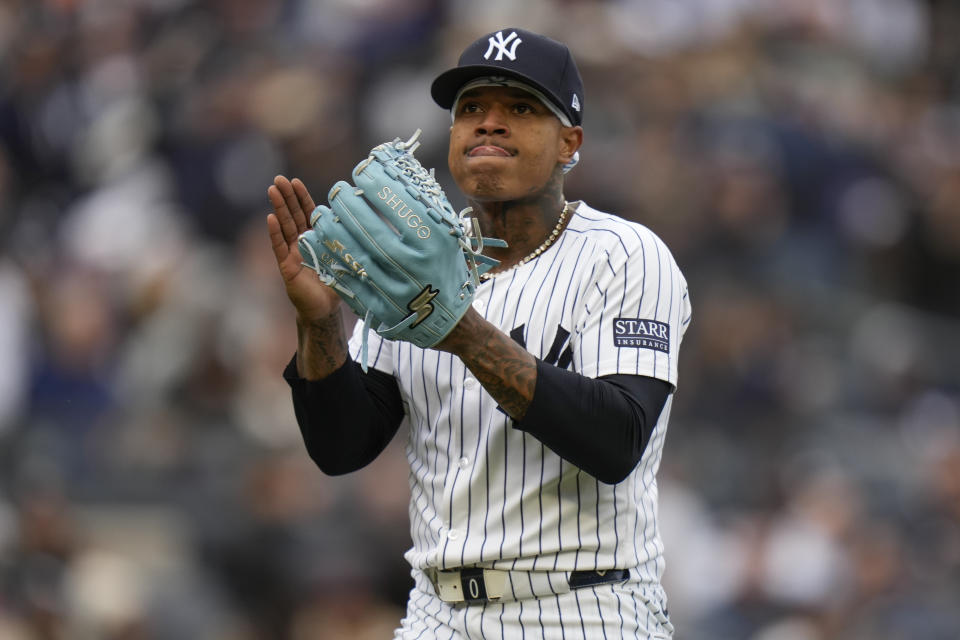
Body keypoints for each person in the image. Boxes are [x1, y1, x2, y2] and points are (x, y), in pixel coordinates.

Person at [266, 27, 691, 639]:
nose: (488, 124)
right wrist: (320, 322)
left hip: (580, 607)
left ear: (570, 142)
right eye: (471, 109)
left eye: (520, 108)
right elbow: (342, 448)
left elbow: (616, 440)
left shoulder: (625, 255)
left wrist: (459, 330)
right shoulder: (411, 260)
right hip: (436, 611)